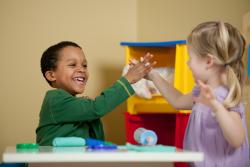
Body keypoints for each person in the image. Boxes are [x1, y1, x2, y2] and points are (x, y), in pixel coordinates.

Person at [147, 21, 249, 166]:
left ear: (208, 61)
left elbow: (237, 139)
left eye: (191, 58)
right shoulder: (203, 91)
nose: (188, 63)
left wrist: (216, 107)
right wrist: (152, 75)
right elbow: (178, 100)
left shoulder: (225, 96)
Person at [36, 41, 155, 146]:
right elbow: (96, 108)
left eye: (84, 65)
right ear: (52, 75)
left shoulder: (77, 105)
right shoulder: (55, 99)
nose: (82, 69)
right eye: (72, 65)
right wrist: (128, 79)